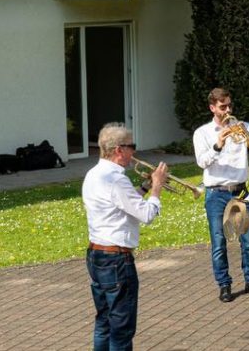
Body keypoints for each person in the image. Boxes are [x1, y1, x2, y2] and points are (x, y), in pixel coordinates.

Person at [83, 122, 168, 351]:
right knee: (121, 329)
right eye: (132, 146)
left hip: (97, 254)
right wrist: (157, 187)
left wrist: (145, 187)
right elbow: (147, 215)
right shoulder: (116, 179)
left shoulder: (94, 174)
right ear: (119, 150)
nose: (134, 152)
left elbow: (123, 204)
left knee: (104, 323)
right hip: (116, 260)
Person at [193, 87, 249, 302]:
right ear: (212, 108)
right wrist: (218, 144)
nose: (227, 110)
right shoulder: (202, 133)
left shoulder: (243, 126)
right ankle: (224, 285)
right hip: (216, 193)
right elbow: (202, 162)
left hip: (240, 191)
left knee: (248, 241)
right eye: (222, 107)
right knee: (219, 243)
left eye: (229, 105)